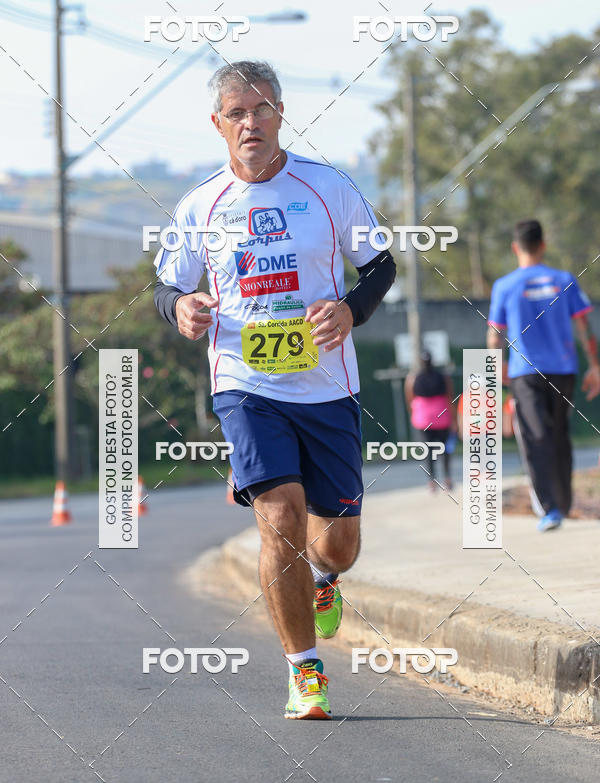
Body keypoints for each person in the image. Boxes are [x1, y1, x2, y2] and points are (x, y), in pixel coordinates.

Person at [153, 60, 396, 718]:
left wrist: (352, 309)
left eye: (261, 109)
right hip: (245, 384)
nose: (250, 122)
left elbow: (380, 264)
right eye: (236, 112)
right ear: (218, 124)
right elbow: (165, 286)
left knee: (336, 543)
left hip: (327, 387)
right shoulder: (199, 206)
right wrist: (179, 307)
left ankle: (323, 580)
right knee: (282, 518)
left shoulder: (326, 188)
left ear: (282, 113)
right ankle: (304, 670)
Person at [487, 219, 600, 531]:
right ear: (543, 244)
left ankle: (552, 508)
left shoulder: (505, 286)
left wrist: (497, 368)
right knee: (559, 434)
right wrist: (595, 365)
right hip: (564, 370)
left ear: (515, 247)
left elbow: (495, 335)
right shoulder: (564, 280)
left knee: (537, 437)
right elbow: (584, 326)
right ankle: (561, 503)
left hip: (526, 373)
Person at [404, 350, 456, 491]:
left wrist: (415, 415)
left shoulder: (412, 378)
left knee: (428, 451)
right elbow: (450, 398)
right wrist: (454, 420)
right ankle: (448, 479)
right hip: (442, 418)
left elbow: (410, 399)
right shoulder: (443, 377)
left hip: (424, 419)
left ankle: (432, 481)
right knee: (445, 449)